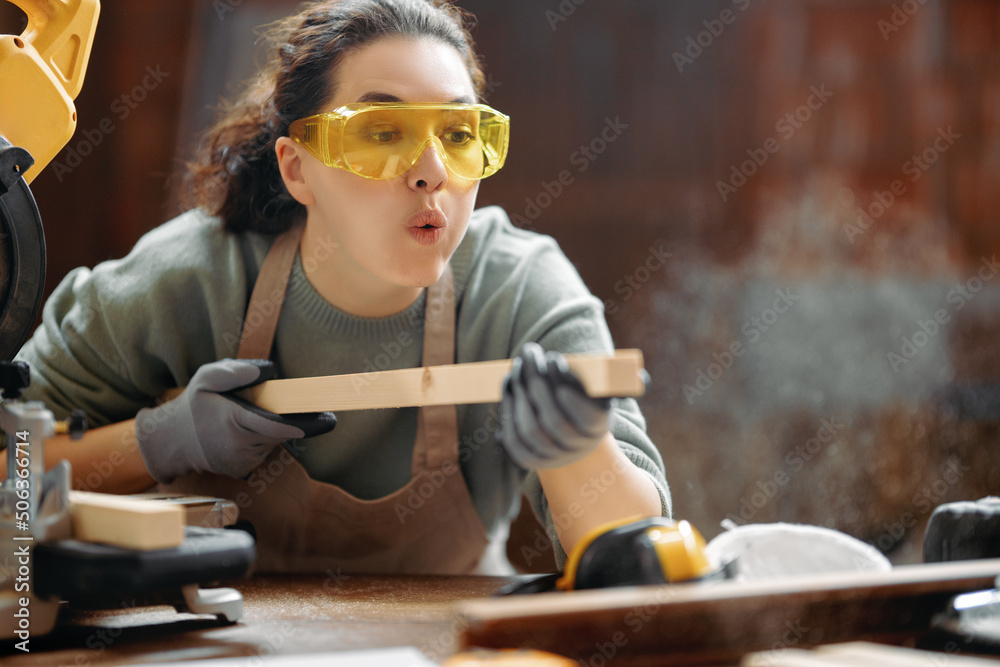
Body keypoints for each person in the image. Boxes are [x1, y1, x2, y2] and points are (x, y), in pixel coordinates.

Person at [11, 0, 670, 573]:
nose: (431, 173)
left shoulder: (520, 289)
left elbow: (636, 552)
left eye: (460, 134)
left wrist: (580, 453)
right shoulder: (189, 278)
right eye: (382, 133)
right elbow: (10, 469)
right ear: (297, 169)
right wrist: (161, 439)